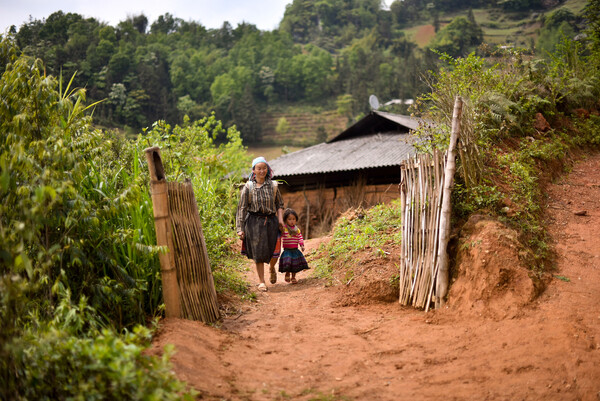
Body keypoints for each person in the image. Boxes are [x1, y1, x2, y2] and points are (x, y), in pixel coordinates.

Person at [236, 157, 285, 292]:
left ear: (267, 169)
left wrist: (280, 220)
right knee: (258, 252)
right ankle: (261, 281)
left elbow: (279, 204)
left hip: (271, 221)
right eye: (259, 168)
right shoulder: (248, 187)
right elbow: (242, 208)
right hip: (254, 222)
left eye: (264, 168)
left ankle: (271, 268)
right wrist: (240, 229)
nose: (262, 171)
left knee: (275, 251)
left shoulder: (274, 186)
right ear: (254, 171)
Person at [278, 208, 309, 284]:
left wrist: (301, 245)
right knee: (288, 263)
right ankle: (287, 274)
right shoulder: (284, 229)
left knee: (295, 265)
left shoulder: (297, 230)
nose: (292, 221)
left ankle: (293, 277)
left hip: (295, 250)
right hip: (287, 250)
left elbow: (300, 237)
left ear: (296, 220)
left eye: (294, 219)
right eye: (289, 219)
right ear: (286, 220)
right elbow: (280, 236)